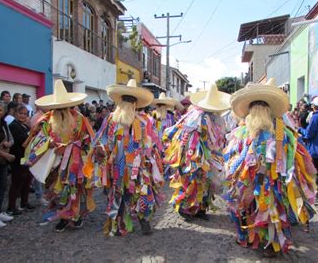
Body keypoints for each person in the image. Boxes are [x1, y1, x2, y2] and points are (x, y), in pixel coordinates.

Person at [223, 79, 316, 257]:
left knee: (270, 210)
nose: (254, 111)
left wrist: (264, 175)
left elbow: (279, 157)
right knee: (250, 207)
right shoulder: (247, 131)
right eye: (253, 107)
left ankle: (271, 244)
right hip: (251, 178)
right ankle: (251, 237)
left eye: (258, 107)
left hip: (271, 180)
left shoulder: (279, 130)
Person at [83, 79, 164, 236]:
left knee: (142, 192)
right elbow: (102, 138)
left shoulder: (144, 121)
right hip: (117, 164)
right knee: (117, 193)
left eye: (131, 101)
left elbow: (151, 143)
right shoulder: (111, 119)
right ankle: (118, 223)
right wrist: (100, 149)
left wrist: (149, 158)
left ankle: (144, 221)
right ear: (120, 101)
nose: (128, 104)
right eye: (126, 100)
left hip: (138, 166)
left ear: (136, 104)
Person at [23, 80, 94, 232]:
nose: (61, 111)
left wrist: (79, 147)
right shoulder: (46, 120)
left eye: (64, 107)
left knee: (73, 190)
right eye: (58, 108)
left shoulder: (80, 119)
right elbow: (36, 139)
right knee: (56, 191)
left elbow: (88, 138)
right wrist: (48, 143)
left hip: (73, 163)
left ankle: (74, 216)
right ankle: (62, 216)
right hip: (53, 164)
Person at [163, 84, 231, 221]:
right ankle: (184, 208)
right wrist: (193, 157)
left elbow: (219, 138)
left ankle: (201, 208)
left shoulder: (217, 119)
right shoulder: (196, 116)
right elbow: (187, 138)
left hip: (211, 156)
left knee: (206, 183)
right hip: (194, 156)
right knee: (192, 181)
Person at [7, 104, 35, 216]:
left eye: (25, 114)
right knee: (16, 183)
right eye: (21, 113)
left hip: (26, 158)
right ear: (15, 113)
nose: (23, 116)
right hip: (18, 158)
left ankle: (24, 202)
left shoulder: (25, 126)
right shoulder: (14, 126)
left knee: (27, 181)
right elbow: (21, 142)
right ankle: (11, 207)